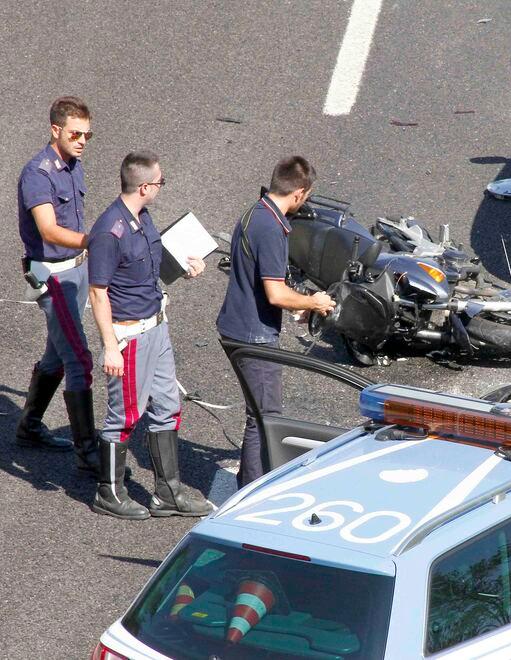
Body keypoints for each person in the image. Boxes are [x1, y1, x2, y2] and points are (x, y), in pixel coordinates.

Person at [87, 151, 211, 520]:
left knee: (167, 408)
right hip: (130, 338)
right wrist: (111, 347)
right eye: (160, 182)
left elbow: (147, 269)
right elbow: (98, 293)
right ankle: (109, 492)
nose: (161, 187)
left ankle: (167, 493)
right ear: (144, 186)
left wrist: (185, 266)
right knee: (123, 416)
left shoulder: (142, 218)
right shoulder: (109, 231)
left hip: (156, 328)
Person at [216, 156, 335, 488]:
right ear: (298, 193)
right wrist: (313, 301)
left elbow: (263, 283)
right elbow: (275, 294)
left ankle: (248, 481)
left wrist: (296, 303)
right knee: (264, 418)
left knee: (258, 414)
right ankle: (253, 491)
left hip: (235, 326)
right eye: (306, 197)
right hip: (253, 337)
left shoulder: (256, 212)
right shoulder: (271, 227)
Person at [16, 96, 98, 474]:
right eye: (75, 133)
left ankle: (29, 426)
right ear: (55, 130)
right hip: (53, 278)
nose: (82, 141)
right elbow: (48, 229)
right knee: (78, 359)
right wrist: (93, 241)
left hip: (76, 271)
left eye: (87, 134)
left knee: (57, 352)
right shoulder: (38, 173)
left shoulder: (72, 165)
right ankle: (89, 454)